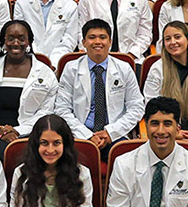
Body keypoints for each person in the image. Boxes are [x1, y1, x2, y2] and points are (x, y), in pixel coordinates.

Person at [0, 20, 60, 156]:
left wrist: (17, 131)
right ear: (4, 41)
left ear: (29, 41)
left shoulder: (45, 73)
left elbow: (45, 112)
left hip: (31, 133)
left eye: (21, 39)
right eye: (11, 38)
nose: (15, 43)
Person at [55, 19, 145, 148]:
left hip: (115, 134)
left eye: (102, 37)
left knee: (122, 159)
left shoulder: (124, 68)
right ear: (83, 42)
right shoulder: (71, 69)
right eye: (92, 37)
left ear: (110, 42)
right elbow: (61, 108)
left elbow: (136, 107)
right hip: (79, 134)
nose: (97, 42)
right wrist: (86, 135)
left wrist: (111, 132)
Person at [144, 21, 188, 156]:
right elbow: (151, 105)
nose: (173, 42)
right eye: (167, 39)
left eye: (177, 37)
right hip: (165, 133)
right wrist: (175, 133)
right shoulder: (157, 69)